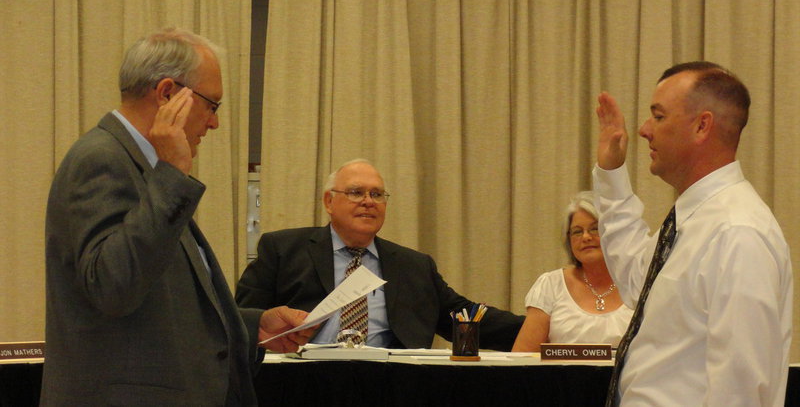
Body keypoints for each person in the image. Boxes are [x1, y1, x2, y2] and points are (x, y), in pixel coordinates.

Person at [42, 28, 314, 406]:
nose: (214, 123)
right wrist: (172, 176)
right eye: (212, 105)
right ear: (168, 93)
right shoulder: (102, 159)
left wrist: (253, 327)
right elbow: (113, 287)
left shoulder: (145, 168)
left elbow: (164, 302)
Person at [594, 61, 792, 406]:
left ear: (702, 126)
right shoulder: (695, 219)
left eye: (658, 116)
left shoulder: (737, 233)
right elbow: (636, 281)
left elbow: (740, 391)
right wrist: (611, 175)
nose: (644, 130)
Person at [236, 159, 525, 349]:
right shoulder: (283, 249)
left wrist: (538, 326)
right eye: (356, 192)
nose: (368, 202)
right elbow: (241, 321)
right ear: (329, 201)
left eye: (377, 195)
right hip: (305, 380)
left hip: (391, 383)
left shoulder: (414, 265)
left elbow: (462, 315)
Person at [512, 191, 633, 352]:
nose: (586, 237)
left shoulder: (639, 283)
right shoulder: (550, 285)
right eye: (577, 231)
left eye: (595, 229)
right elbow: (522, 357)